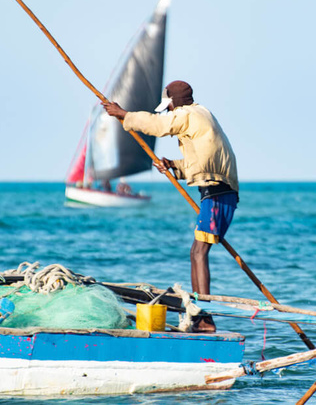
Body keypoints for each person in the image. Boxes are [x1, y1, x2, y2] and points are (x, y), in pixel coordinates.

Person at [102, 80, 238, 333]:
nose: (168, 112)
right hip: (216, 192)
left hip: (218, 193)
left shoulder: (186, 115)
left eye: (169, 107)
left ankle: (204, 318)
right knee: (196, 252)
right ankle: (200, 314)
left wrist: (124, 115)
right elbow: (202, 160)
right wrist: (174, 165)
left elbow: (158, 125)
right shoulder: (201, 114)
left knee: (199, 253)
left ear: (174, 102)